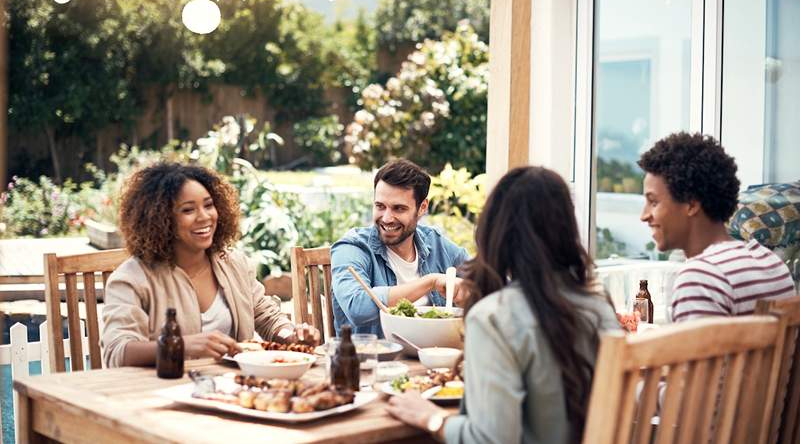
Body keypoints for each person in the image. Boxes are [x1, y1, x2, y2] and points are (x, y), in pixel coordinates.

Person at [386, 166, 620, 444]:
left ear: (496, 229)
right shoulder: (598, 307)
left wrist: (431, 418)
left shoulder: (494, 318)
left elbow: (491, 439)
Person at [101, 163, 320, 368]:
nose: (204, 217)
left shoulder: (232, 263)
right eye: (188, 210)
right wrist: (182, 345)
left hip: (234, 388)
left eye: (209, 205)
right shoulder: (132, 278)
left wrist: (289, 334)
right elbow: (116, 352)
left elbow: (266, 317)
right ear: (159, 218)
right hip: (163, 392)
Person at [638, 132, 795, 322]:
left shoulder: (700, 278)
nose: (644, 216)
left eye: (653, 202)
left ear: (691, 205)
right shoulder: (772, 264)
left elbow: (697, 353)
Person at [331, 159, 469, 336]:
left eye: (399, 209)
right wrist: (430, 282)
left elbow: (485, 279)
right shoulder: (352, 247)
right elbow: (358, 307)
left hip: (434, 356)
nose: (387, 218)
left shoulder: (435, 242)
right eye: (380, 206)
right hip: (375, 360)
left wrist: (468, 291)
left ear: (422, 208)